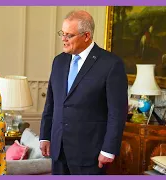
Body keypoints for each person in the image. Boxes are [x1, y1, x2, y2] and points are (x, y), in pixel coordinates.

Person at [39, 10, 128, 175]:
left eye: (69, 35)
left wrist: (109, 149)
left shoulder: (111, 64)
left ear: (86, 36)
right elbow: (51, 103)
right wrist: (45, 135)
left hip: (90, 154)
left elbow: (117, 113)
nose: (63, 40)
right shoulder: (58, 61)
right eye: (62, 34)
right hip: (59, 150)